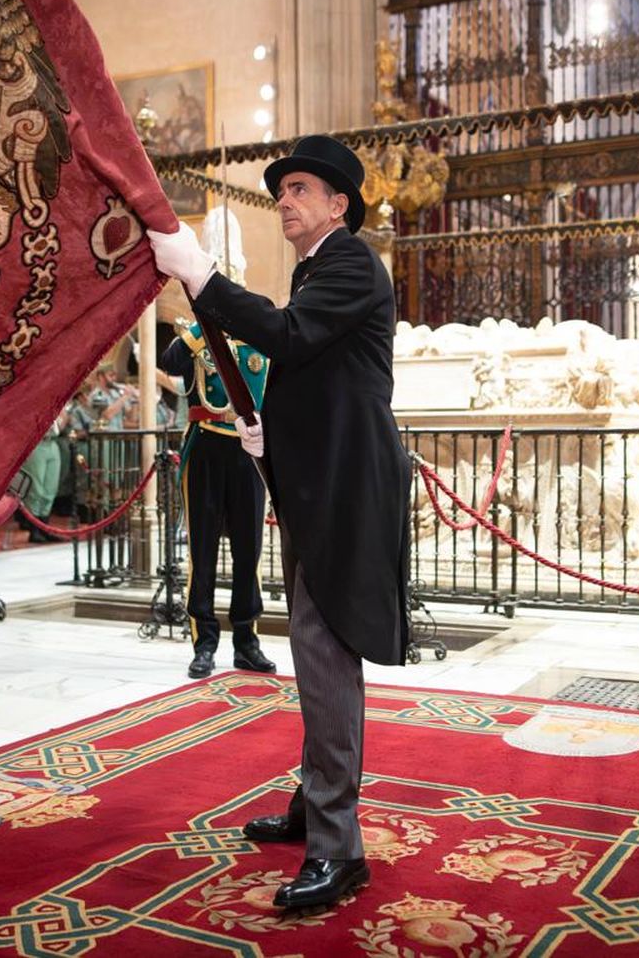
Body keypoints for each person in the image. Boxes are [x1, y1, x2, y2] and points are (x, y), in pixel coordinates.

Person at [148, 134, 411, 910]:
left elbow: (291, 338)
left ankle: (339, 849)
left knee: (325, 655)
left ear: (339, 204)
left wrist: (203, 277)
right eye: (284, 189)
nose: (287, 201)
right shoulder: (319, 269)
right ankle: (315, 805)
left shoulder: (351, 262)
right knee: (312, 651)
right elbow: (315, 371)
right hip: (316, 477)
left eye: (301, 189)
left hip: (342, 488)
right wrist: (272, 424)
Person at [159, 315, 276, 680]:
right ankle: (204, 643)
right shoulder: (200, 340)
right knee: (203, 550)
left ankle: (246, 642)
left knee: (248, 551)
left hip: (248, 453)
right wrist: (200, 326)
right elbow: (170, 362)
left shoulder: (260, 345)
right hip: (206, 445)